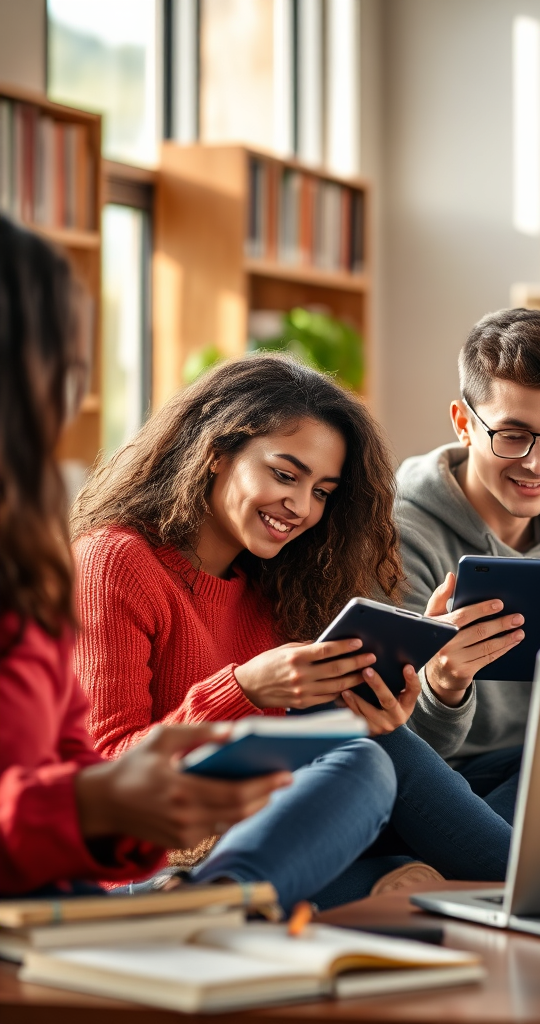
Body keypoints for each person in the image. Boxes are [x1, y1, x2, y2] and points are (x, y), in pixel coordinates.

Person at [70, 355, 511, 907]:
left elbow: (293, 754)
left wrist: (369, 709)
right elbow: (104, 772)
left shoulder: (280, 582)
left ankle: (257, 896)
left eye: (323, 491)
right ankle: (536, 886)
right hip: (151, 855)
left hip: (259, 832)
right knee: (372, 766)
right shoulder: (113, 563)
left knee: (496, 762)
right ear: (215, 453)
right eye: (284, 474)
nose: (300, 507)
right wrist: (244, 689)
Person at [0, 214, 295, 897]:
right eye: (46, 373)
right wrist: (95, 803)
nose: (62, 404)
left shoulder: (26, 551)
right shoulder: (110, 558)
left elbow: (79, 764)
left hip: (66, 895)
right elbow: (94, 771)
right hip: (50, 913)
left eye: (72, 374)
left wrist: (129, 807)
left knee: (367, 765)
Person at [395, 308, 540, 823]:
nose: (538, 464)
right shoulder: (403, 536)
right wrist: (445, 684)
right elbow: (398, 745)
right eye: (513, 435)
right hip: (446, 779)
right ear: (463, 424)